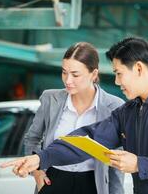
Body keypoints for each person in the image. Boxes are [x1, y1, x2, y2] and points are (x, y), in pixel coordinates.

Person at [1, 37, 148, 194]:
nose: (116, 82)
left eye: (119, 73)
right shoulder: (128, 112)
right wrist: (41, 158)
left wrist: (140, 164)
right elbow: (87, 140)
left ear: (139, 68)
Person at [22, 42, 125, 194]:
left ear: (94, 74)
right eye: (64, 72)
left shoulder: (115, 106)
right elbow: (32, 138)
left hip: (93, 184)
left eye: (75, 74)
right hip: (53, 180)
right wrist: (37, 171)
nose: (67, 80)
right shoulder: (50, 99)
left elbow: (116, 162)